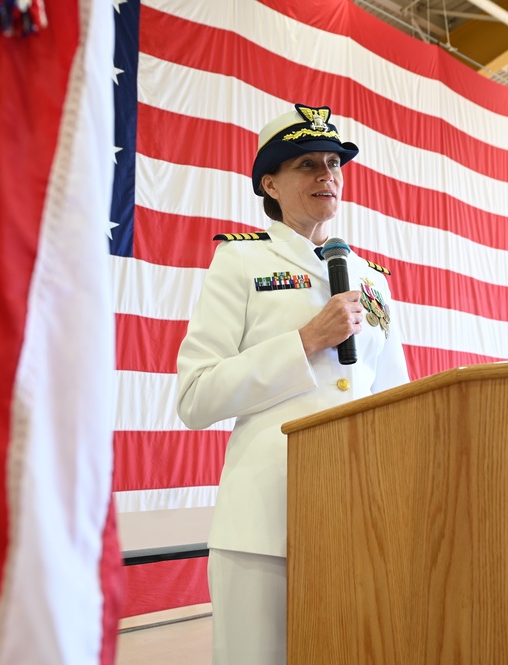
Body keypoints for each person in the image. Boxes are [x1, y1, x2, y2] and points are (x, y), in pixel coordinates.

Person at [174, 103, 410, 664]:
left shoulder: (371, 279)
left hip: (359, 517)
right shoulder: (240, 262)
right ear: (270, 183)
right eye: (307, 163)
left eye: (333, 163)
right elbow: (195, 397)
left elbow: (398, 400)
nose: (327, 174)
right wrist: (303, 342)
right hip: (264, 523)